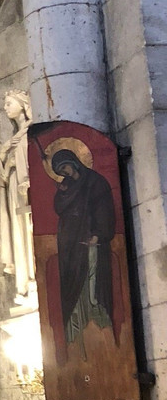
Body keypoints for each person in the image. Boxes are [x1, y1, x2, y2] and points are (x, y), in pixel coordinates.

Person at [51, 148, 115, 350]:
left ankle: (97, 315)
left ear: (74, 161)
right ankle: (75, 329)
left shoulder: (95, 182)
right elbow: (59, 209)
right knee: (73, 283)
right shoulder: (66, 187)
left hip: (91, 240)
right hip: (70, 244)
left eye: (65, 167)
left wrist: (98, 234)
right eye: (61, 171)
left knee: (92, 278)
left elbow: (104, 209)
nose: (65, 173)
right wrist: (62, 194)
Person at [0, 90, 36, 303]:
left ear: (22, 105)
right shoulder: (15, 137)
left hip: (28, 187)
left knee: (29, 229)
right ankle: (23, 281)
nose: (5, 108)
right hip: (15, 186)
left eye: (8, 103)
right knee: (18, 231)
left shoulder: (31, 132)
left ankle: (33, 278)